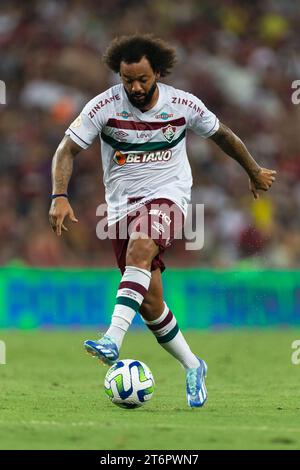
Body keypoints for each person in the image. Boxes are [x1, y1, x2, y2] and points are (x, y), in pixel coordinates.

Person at [49, 34, 276, 408]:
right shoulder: (103, 106)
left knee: (141, 245)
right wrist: (59, 196)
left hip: (169, 197)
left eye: (142, 79)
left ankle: (112, 339)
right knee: (151, 302)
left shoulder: (182, 104)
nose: (135, 87)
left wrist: (252, 170)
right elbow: (66, 150)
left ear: (157, 72)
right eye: (127, 80)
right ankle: (193, 365)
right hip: (119, 210)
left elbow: (223, 136)